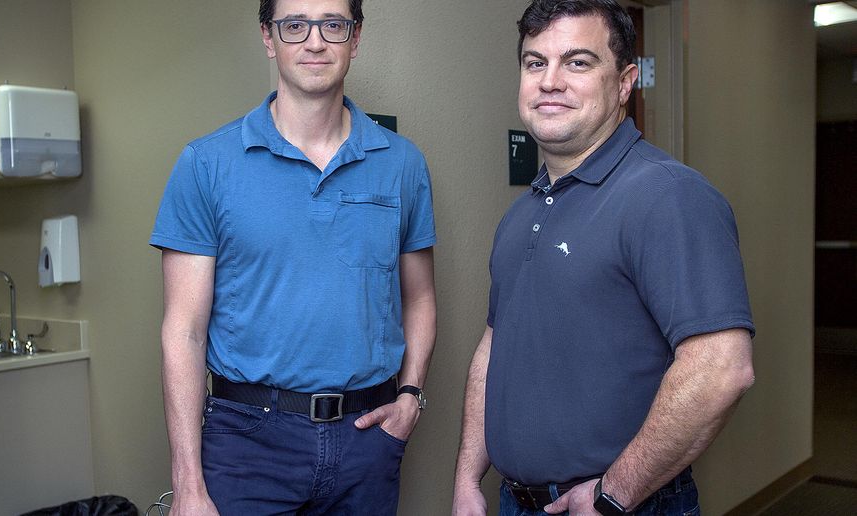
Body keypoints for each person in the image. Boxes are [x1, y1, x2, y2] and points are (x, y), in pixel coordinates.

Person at [452, 1, 755, 515]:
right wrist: (466, 479)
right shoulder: (522, 213)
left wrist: (613, 495)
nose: (550, 81)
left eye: (578, 62)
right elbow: (495, 347)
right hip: (514, 500)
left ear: (624, 83)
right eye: (535, 63)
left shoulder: (667, 195)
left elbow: (721, 367)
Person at [150, 0, 437, 514]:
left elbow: (418, 298)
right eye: (295, 25)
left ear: (355, 37)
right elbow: (184, 331)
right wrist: (188, 484)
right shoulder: (206, 165)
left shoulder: (402, 163)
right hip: (247, 443)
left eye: (333, 24)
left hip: (367, 440)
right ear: (268, 36)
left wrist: (411, 395)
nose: (315, 41)